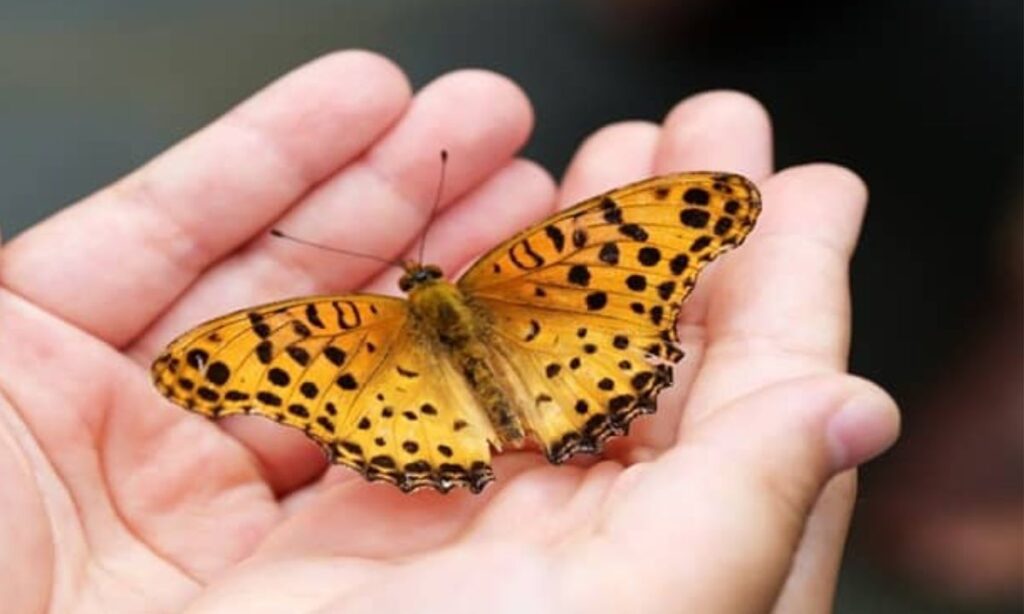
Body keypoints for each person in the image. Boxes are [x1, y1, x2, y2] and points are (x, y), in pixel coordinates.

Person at [0, 51, 899, 612]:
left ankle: (482, 437)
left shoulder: (330, 327)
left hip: (410, 413)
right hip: (573, 359)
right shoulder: (532, 264)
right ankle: (563, 419)